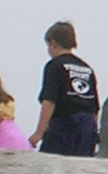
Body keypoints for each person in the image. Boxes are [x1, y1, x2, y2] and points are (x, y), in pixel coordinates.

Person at [31, 21, 101, 155]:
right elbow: (95, 107)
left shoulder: (54, 66)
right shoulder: (87, 68)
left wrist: (39, 133)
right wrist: (93, 133)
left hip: (64, 125)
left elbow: (49, 101)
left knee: (50, 167)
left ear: (53, 43)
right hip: (87, 127)